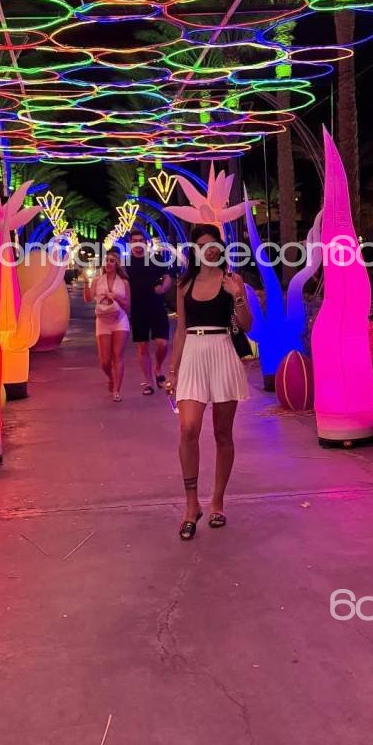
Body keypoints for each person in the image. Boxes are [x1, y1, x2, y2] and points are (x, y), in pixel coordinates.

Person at [165, 225, 252, 539]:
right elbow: (180, 330)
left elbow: (246, 325)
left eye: (213, 244)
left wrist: (237, 296)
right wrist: (173, 372)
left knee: (222, 433)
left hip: (223, 353)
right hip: (192, 355)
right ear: (195, 250)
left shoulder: (232, 280)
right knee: (188, 428)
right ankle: (192, 505)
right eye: (202, 246)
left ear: (221, 246)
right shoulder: (184, 283)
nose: (209, 250)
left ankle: (217, 502)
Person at [126, 226, 174, 395]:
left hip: (157, 307)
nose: (138, 244)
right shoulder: (126, 264)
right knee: (142, 347)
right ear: (130, 244)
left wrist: (164, 287)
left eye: (141, 241)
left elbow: (168, 277)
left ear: (146, 243)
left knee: (163, 343)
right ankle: (148, 382)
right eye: (134, 241)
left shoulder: (156, 259)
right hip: (138, 309)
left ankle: (158, 367)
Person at [84, 248, 131, 402]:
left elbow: (127, 305)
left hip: (119, 320)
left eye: (112, 261)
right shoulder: (98, 280)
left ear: (117, 264)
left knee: (117, 356)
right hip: (103, 321)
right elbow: (88, 298)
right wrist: (86, 283)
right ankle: (111, 378)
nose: (109, 263)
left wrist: (116, 297)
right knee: (104, 361)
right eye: (107, 261)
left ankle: (117, 390)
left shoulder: (124, 283)